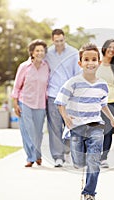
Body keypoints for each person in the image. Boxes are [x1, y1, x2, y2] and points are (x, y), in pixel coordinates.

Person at [54, 43, 114, 200]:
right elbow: (60, 102)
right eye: (86, 59)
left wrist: (112, 120)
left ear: (98, 62)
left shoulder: (102, 85)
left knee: (94, 161)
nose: (90, 63)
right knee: (78, 162)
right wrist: (67, 119)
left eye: (94, 59)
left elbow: (103, 105)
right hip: (76, 127)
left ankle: (89, 192)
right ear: (80, 63)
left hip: (96, 126)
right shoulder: (73, 83)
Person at [45, 29, 81, 167]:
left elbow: (77, 74)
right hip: (53, 94)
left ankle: (67, 152)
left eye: (61, 40)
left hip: (68, 96)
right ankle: (57, 157)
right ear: (52, 40)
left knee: (70, 125)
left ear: (64, 39)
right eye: (56, 41)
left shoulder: (73, 53)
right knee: (54, 127)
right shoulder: (47, 53)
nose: (59, 43)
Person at [11, 39, 50, 167]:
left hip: (40, 104)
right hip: (25, 102)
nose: (40, 53)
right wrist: (15, 103)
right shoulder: (24, 67)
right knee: (27, 131)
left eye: (42, 50)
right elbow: (17, 86)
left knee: (38, 132)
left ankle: (38, 155)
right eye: (37, 50)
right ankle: (30, 157)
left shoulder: (46, 67)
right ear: (32, 52)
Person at [96, 39, 114, 168]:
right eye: (110, 47)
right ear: (105, 48)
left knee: (108, 129)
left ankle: (104, 158)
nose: (112, 50)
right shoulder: (97, 63)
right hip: (96, 101)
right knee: (95, 128)